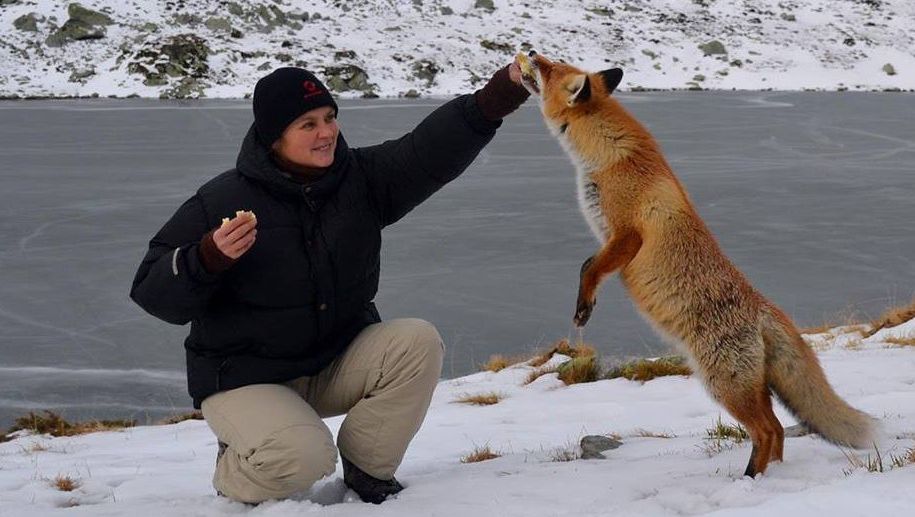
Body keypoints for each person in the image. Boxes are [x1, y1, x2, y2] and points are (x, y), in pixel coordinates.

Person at [129, 60, 528, 505]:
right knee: (303, 458)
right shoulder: (221, 200)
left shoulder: (361, 179)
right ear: (274, 136)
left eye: (330, 117)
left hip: (330, 361)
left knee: (416, 342)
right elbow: (151, 291)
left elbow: (426, 152)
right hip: (244, 378)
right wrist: (207, 258)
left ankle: (367, 467)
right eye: (308, 124)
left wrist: (500, 95)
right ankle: (235, 469)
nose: (327, 133)